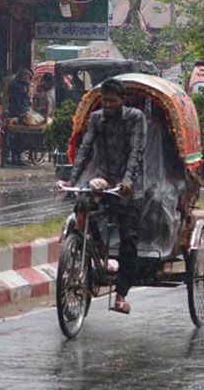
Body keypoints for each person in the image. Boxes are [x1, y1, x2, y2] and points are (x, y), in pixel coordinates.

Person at [57, 78, 146, 314]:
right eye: (105, 100)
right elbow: (85, 149)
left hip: (130, 184)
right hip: (105, 178)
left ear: (122, 100)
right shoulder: (97, 118)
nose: (108, 104)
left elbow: (136, 152)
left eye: (113, 100)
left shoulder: (135, 117)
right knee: (83, 205)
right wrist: (72, 180)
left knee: (128, 238)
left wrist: (127, 181)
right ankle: (93, 252)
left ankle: (120, 294)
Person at [6, 69, 32, 165]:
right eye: (26, 77)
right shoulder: (16, 85)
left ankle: (18, 156)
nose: (28, 79)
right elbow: (22, 95)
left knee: (21, 136)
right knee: (15, 135)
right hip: (16, 113)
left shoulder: (22, 85)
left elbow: (28, 98)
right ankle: (14, 156)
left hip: (23, 112)